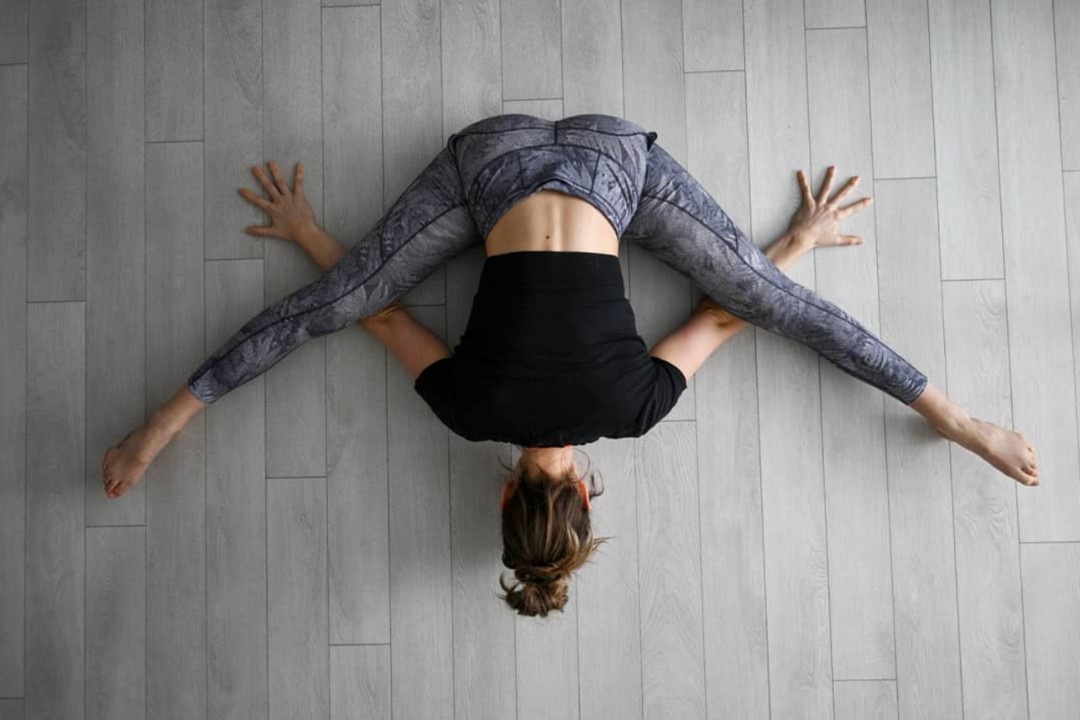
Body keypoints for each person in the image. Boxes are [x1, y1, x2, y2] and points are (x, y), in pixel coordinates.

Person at [102, 113, 1039, 617]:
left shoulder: (631, 410)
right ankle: (160, 428)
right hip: (492, 158)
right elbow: (373, 312)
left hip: (611, 157)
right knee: (331, 307)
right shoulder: (469, 411)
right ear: (503, 498)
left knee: (780, 306)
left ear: (586, 493)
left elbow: (728, 313)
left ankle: (963, 424)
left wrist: (788, 248)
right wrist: (315, 235)